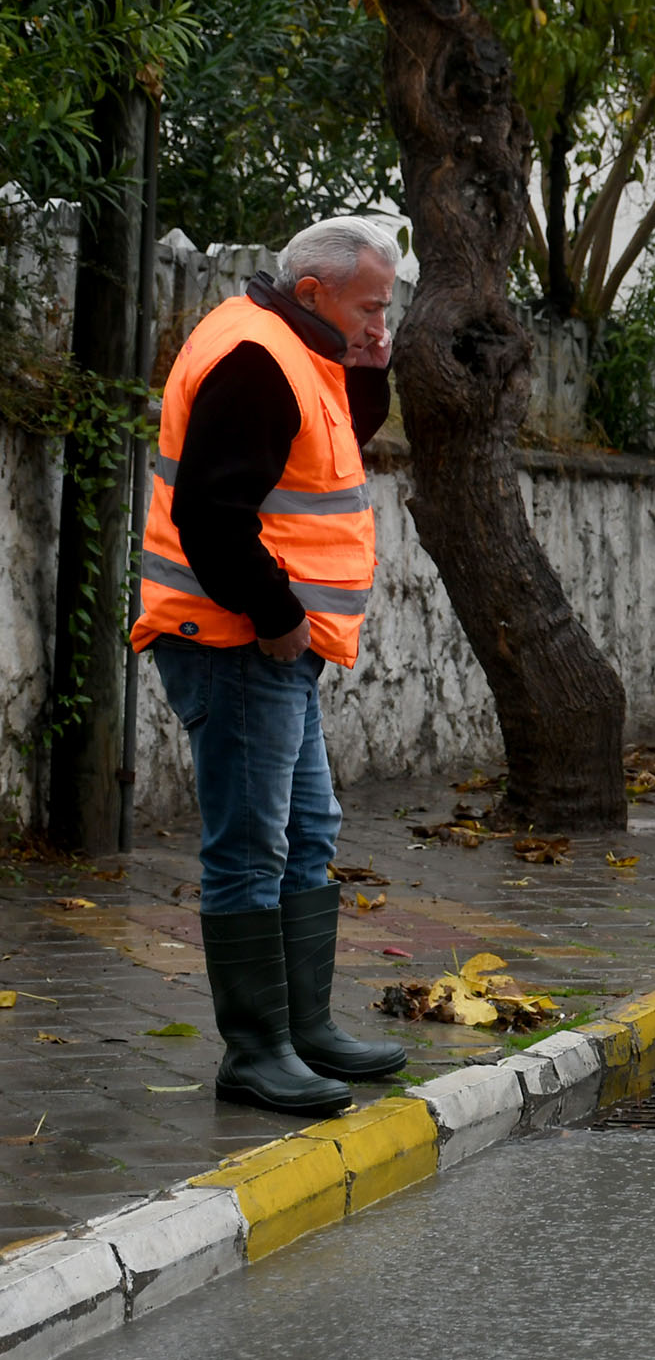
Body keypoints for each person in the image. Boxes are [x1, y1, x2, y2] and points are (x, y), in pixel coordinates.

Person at [132, 215, 408, 1115]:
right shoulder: (254, 356)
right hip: (239, 641)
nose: (382, 322)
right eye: (371, 307)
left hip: (271, 646)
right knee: (251, 848)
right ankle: (256, 1051)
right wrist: (280, 614)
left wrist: (369, 361)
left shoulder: (291, 344)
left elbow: (329, 445)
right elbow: (215, 514)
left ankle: (305, 1029)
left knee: (308, 830)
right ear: (313, 292)